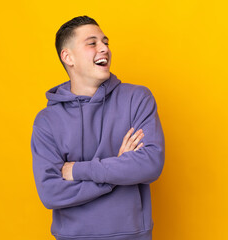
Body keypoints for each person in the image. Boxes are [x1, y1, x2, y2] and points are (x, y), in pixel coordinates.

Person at [31, 15, 165, 240]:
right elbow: (50, 193)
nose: (104, 48)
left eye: (106, 42)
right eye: (92, 43)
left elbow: (150, 164)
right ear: (68, 57)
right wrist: (118, 171)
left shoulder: (137, 99)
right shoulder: (47, 121)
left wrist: (77, 170)